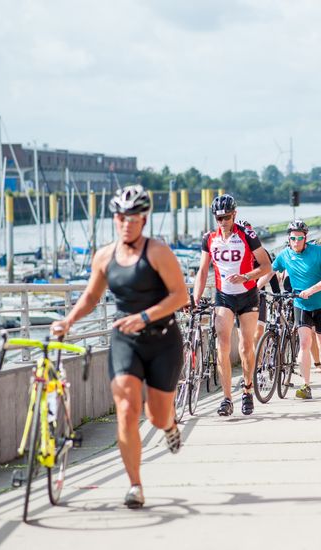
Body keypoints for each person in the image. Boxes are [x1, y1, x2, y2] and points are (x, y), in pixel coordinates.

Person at [51, 185, 188, 509]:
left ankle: (169, 424)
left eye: (134, 218)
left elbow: (180, 296)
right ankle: (135, 485)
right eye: (122, 217)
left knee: (155, 416)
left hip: (163, 341)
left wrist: (144, 316)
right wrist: (68, 321)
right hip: (125, 341)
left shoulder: (157, 252)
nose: (127, 223)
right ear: (115, 218)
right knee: (126, 410)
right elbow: (91, 297)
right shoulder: (104, 256)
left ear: (144, 220)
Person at [193, 194, 271, 416]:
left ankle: (247, 390)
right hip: (224, 296)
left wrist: (246, 276)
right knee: (222, 346)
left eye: (226, 217)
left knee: (246, 345)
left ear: (234, 214)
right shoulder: (209, 239)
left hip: (247, 295)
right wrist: (194, 299)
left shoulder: (247, 235)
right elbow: (201, 272)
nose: (223, 222)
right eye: (218, 218)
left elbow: (266, 265)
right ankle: (226, 398)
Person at [270, 220, 321, 399]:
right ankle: (306, 385)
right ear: (289, 239)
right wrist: (255, 289)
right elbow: (270, 272)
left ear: (305, 238)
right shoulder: (284, 255)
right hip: (300, 304)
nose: (296, 241)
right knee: (305, 343)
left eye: (300, 238)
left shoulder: (318, 252)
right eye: (293, 238)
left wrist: (312, 290)